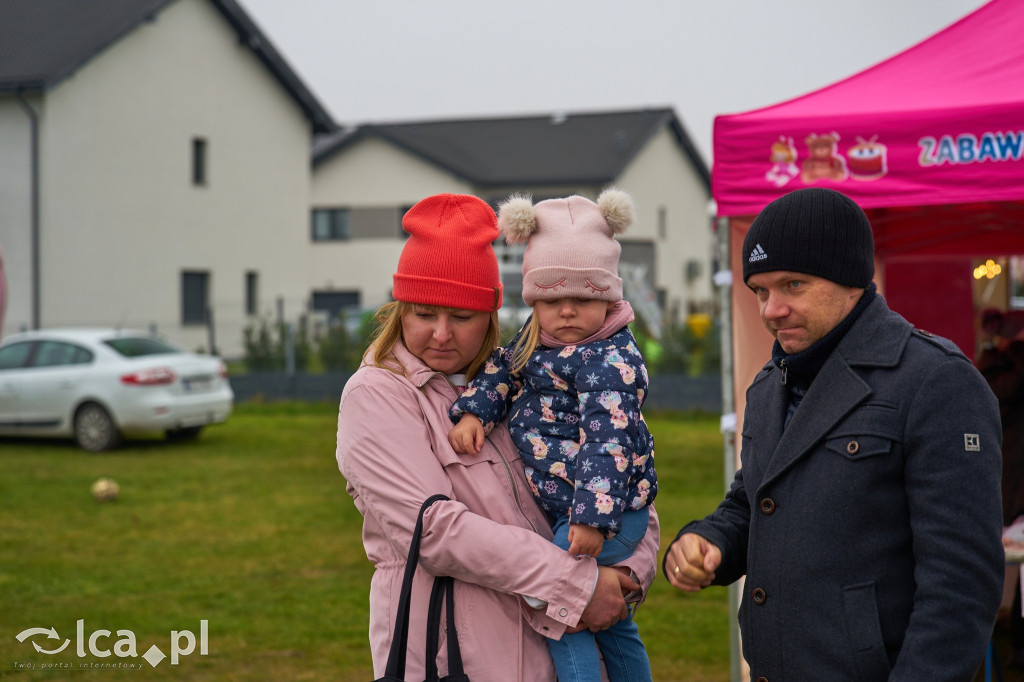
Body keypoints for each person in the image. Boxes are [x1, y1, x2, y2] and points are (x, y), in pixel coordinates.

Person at [663, 187, 1004, 681]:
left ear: (852, 279)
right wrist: (706, 540)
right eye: (760, 290)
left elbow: (960, 588)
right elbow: (755, 501)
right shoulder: (767, 386)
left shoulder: (936, 380)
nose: (769, 310)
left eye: (793, 285)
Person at [335, 193, 661, 682]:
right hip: (454, 659)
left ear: (491, 315)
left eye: (461, 317)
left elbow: (619, 471)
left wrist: (629, 573)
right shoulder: (376, 395)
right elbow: (435, 531)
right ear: (399, 311)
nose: (441, 334)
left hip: (551, 650)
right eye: (424, 314)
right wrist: (578, 586)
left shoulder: (525, 380)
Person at [448, 189, 657, 682]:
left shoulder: (608, 362)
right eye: (551, 299)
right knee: (614, 627)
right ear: (534, 300)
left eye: (582, 299)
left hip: (606, 512)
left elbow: (608, 446)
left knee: (559, 609)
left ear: (608, 299)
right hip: (575, 508)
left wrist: (590, 522)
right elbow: (505, 370)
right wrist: (476, 412)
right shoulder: (535, 338)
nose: (566, 312)